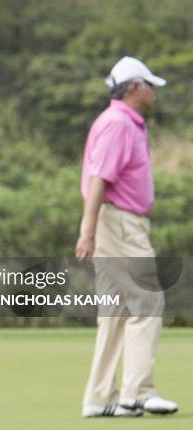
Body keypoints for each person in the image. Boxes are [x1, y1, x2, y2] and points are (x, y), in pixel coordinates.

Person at [75, 56, 177, 418]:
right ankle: (138, 391)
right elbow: (99, 179)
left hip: (116, 221)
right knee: (147, 299)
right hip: (119, 223)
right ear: (135, 87)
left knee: (116, 311)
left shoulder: (126, 123)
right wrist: (88, 231)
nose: (153, 91)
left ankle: (99, 398)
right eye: (149, 84)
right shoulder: (119, 124)